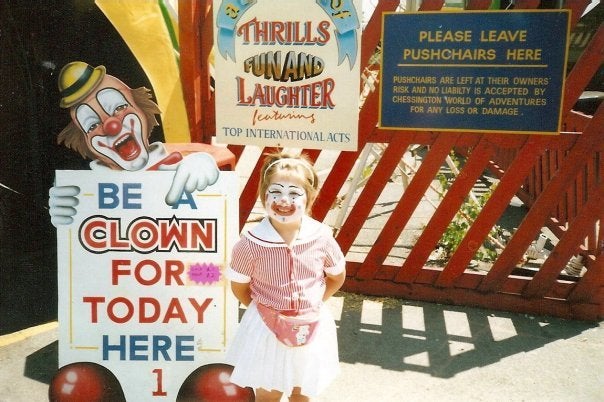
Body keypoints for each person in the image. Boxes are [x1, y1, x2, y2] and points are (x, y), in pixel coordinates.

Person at [225, 151, 346, 401]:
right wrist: (263, 309)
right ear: (264, 195)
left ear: (309, 197)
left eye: (294, 193)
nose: (284, 200)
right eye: (276, 191)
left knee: (302, 393)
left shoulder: (321, 237)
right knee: (268, 394)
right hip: (267, 330)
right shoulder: (250, 244)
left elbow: (337, 277)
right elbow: (239, 286)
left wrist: (313, 303)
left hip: (311, 327)